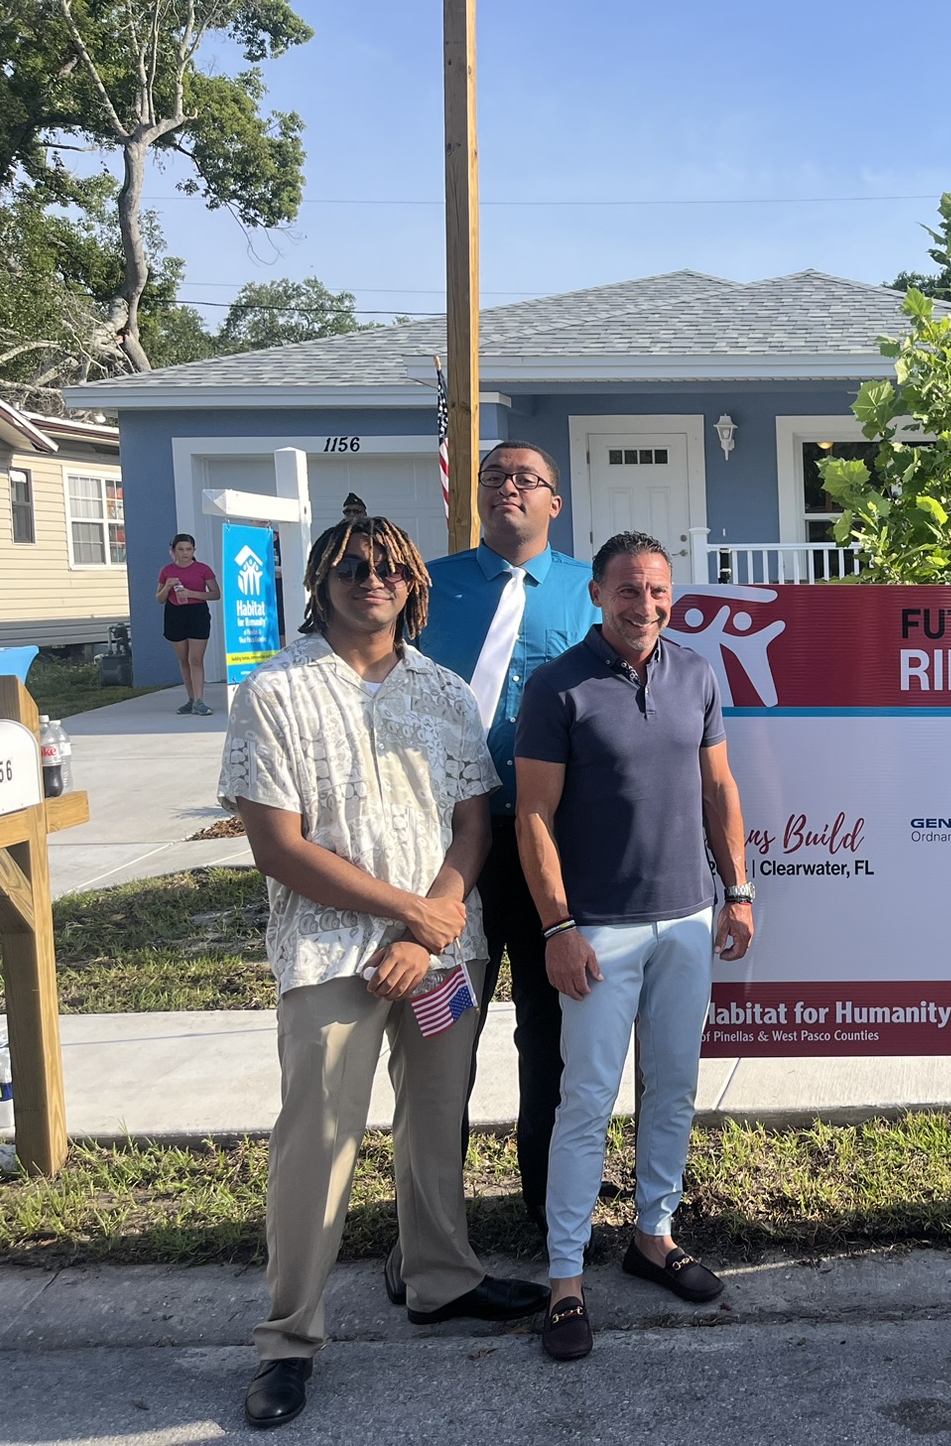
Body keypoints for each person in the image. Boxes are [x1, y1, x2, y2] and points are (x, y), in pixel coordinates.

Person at [219, 515, 547, 1430]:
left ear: (414, 586)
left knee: (436, 1123)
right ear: (321, 581)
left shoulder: (442, 690)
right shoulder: (274, 693)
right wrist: (408, 914)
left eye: (393, 569)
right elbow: (277, 848)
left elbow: (473, 823)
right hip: (332, 955)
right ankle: (289, 1337)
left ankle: (441, 1281)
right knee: (319, 1138)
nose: (375, 580)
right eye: (354, 568)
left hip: (444, 951)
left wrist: (433, 924)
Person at [514, 530, 757, 1361]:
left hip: (688, 918)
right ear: (596, 594)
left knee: (674, 1089)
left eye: (657, 590)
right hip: (599, 933)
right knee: (584, 1103)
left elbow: (718, 786)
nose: (645, 605)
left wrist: (739, 890)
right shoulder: (557, 687)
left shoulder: (696, 672)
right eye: (627, 590)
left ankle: (654, 1237)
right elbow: (533, 817)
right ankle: (566, 1283)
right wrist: (557, 926)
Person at [415, 439, 598, 1276]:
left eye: (527, 479)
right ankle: (432, 1230)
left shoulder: (585, 591)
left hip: (545, 845)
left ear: (554, 501)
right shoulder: (430, 588)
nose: (508, 489)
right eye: (494, 478)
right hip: (448, 848)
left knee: (549, 1035)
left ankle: (544, 1208)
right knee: (443, 1031)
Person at [157, 533, 220, 716]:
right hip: (174, 613)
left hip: (197, 613)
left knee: (195, 659)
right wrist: (167, 587)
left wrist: (192, 593)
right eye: (181, 549)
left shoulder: (203, 569)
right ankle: (191, 699)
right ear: (173, 551)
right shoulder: (166, 571)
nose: (185, 553)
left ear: (194, 550)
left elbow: (215, 593)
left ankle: (200, 701)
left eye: (189, 549)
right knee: (184, 660)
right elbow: (159, 599)